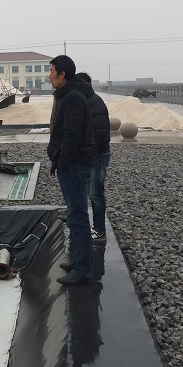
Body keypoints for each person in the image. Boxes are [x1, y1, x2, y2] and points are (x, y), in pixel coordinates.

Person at [47, 56, 96, 285]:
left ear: (62, 74)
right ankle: (79, 260)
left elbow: (72, 135)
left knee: (78, 217)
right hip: (71, 164)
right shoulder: (67, 95)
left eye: (52, 71)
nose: (49, 76)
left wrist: (62, 162)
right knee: (75, 215)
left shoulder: (73, 97)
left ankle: (84, 270)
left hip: (75, 166)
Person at [78, 72, 111, 243]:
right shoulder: (87, 101)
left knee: (96, 193)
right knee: (87, 192)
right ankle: (91, 226)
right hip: (91, 154)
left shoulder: (94, 103)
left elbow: (99, 133)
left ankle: (99, 230)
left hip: (97, 155)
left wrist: (87, 154)